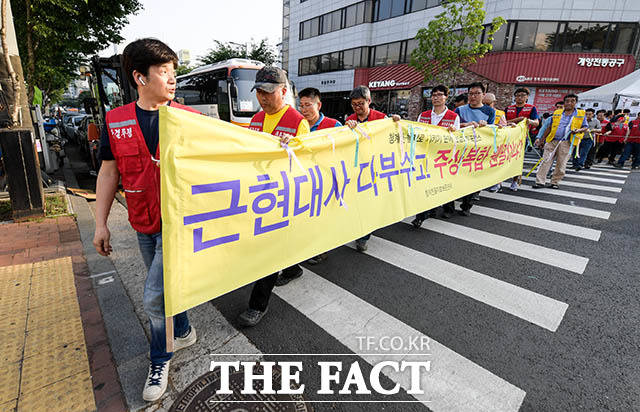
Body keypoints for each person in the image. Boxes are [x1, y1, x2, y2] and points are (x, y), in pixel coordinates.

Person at [93, 38, 200, 402]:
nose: (173, 80)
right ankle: (182, 330)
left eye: (174, 72)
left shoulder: (190, 119)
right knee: (169, 291)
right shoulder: (116, 120)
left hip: (180, 226)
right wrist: (100, 223)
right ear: (140, 77)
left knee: (155, 298)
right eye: (165, 72)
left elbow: (235, 150)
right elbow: (109, 173)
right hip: (143, 223)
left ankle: (160, 358)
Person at [237, 67, 310, 327]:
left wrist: (294, 150)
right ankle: (292, 268)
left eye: (268, 92)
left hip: (283, 196)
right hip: (259, 191)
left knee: (269, 249)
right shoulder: (256, 119)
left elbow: (308, 163)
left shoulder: (297, 122)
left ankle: (257, 305)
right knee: (271, 245)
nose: (262, 97)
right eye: (258, 92)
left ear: (283, 91)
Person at [298, 87, 341, 264]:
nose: (304, 109)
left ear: (319, 104)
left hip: (325, 179)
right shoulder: (298, 124)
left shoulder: (333, 125)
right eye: (301, 105)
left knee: (322, 217)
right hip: (303, 178)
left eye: (308, 105)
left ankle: (321, 250)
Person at [344, 85, 387, 252]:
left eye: (361, 103)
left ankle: (363, 236)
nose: (357, 107)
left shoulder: (381, 119)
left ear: (369, 101)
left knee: (369, 204)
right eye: (354, 104)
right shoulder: (350, 120)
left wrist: (396, 122)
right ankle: (357, 230)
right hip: (356, 168)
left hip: (375, 167)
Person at [412, 85, 460, 226]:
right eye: (434, 95)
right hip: (426, 157)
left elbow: (457, 140)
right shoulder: (424, 115)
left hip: (443, 158)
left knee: (442, 184)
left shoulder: (453, 117)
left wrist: (452, 133)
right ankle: (421, 215)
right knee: (425, 185)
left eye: (440, 95)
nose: (436, 97)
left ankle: (447, 208)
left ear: (446, 97)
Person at [452, 82, 495, 214]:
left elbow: (492, 131)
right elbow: (454, 127)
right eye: (471, 93)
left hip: (478, 151)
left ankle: (467, 206)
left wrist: (485, 126)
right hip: (461, 149)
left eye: (477, 93)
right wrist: (466, 124)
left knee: (475, 178)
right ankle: (449, 207)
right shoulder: (459, 110)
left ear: (483, 95)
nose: (473, 96)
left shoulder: (489, 111)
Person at [533, 94, 588, 189]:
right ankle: (540, 182)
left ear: (575, 103)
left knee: (561, 163)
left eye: (572, 101)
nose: (569, 103)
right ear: (564, 102)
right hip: (552, 140)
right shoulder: (557, 112)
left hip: (567, 142)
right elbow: (550, 127)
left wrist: (578, 130)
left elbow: (585, 127)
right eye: (567, 101)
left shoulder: (581, 114)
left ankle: (555, 182)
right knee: (545, 161)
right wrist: (542, 140)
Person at [504, 87, 540, 190]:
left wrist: (528, 121)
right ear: (514, 97)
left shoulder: (531, 108)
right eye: (518, 95)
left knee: (517, 160)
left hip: (522, 138)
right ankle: (498, 182)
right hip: (507, 137)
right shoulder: (508, 108)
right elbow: (503, 122)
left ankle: (515, 181)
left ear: (527, 97)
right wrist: (518, 119)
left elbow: (536, 122)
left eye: (523, 95)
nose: (520, 98)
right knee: (503, 159)